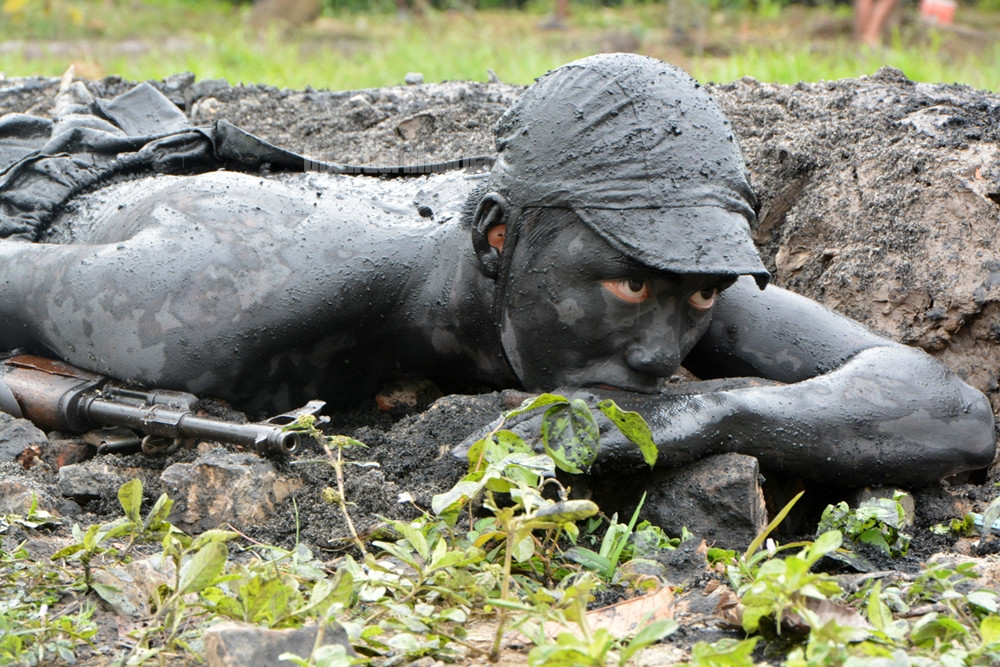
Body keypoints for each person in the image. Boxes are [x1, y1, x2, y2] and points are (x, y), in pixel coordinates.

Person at [0, 54, 993, 486]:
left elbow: (946, 409)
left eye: (698, 294)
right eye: (631, 288)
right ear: (497, 241)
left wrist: (717, 414)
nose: (663, 355)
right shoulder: (213, 308)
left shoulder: (660, 272)